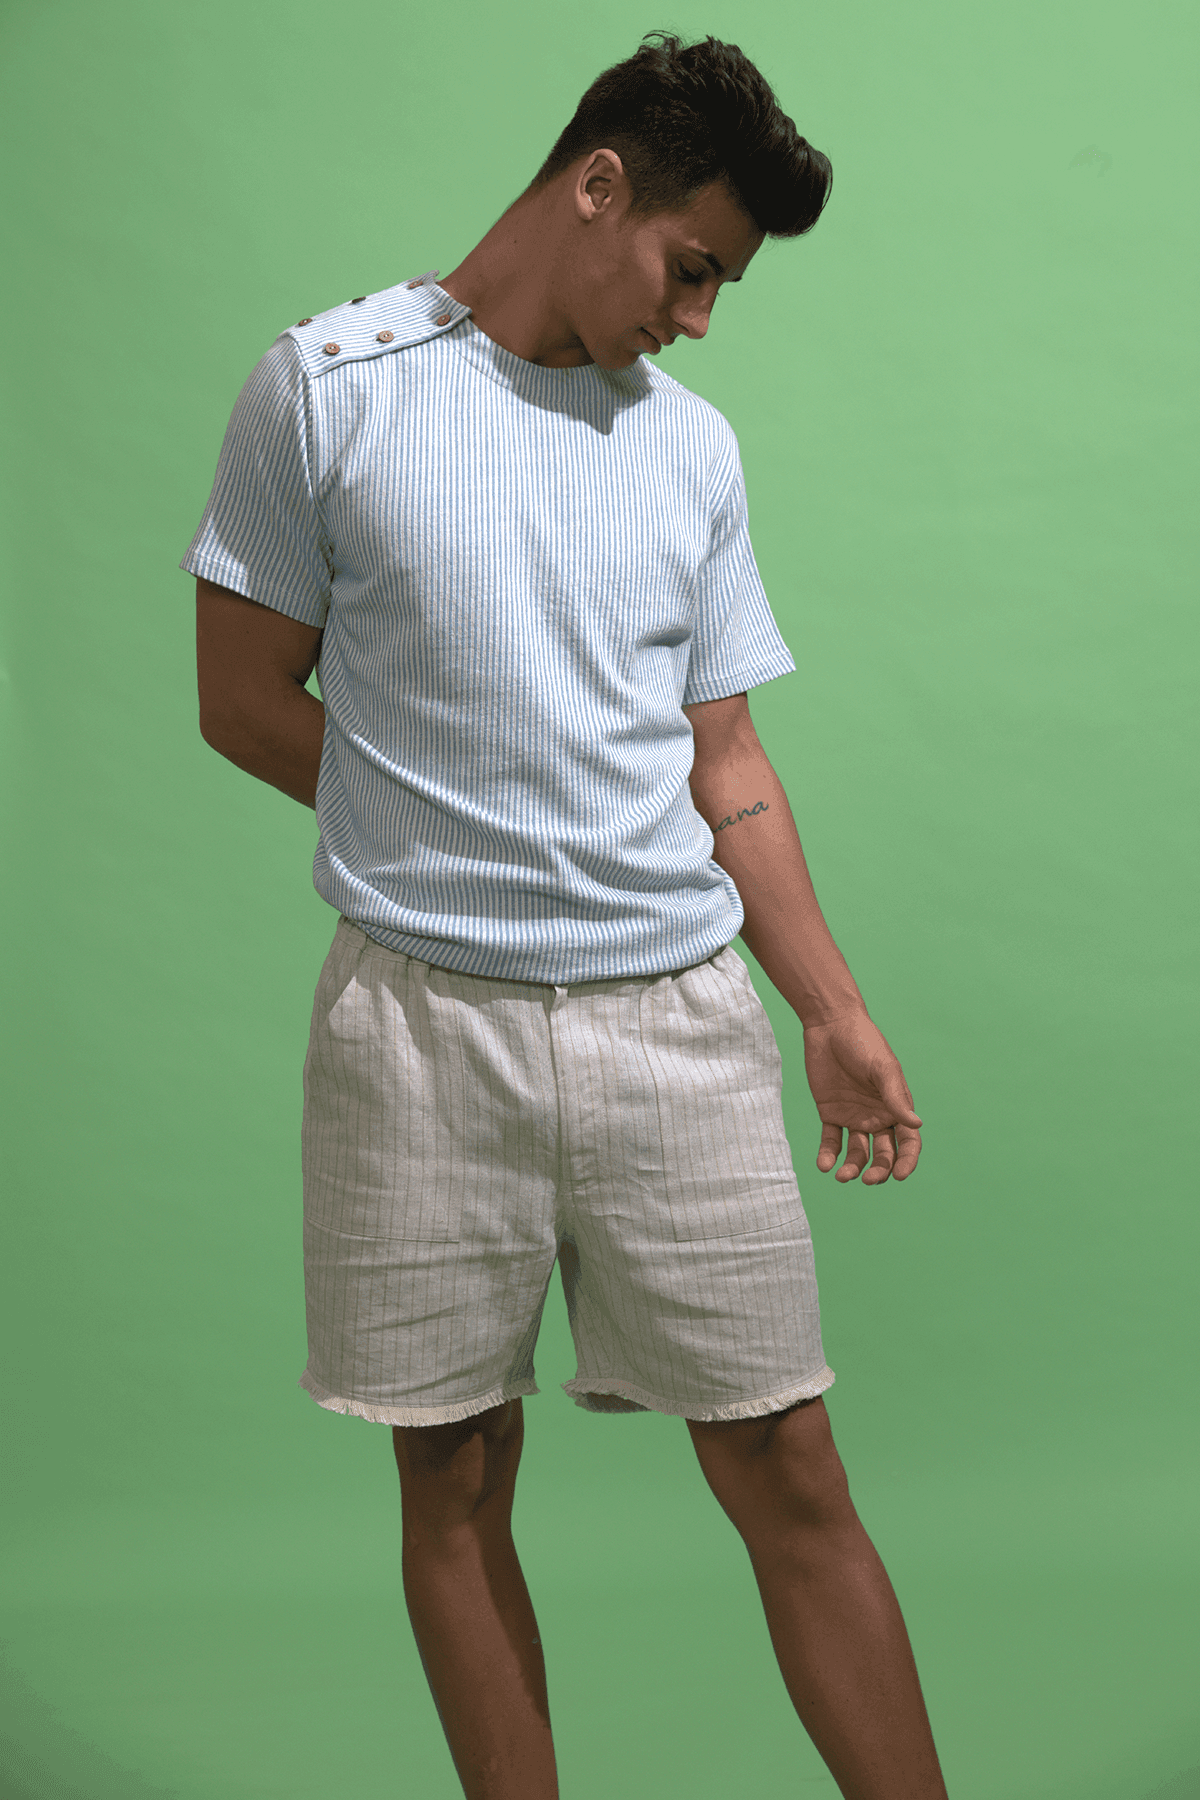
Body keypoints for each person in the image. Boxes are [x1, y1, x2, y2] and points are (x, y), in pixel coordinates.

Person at [184, 32, 947, 1800]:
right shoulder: (326, 391)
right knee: (449, 1477)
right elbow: (238, 700)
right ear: (600, 186)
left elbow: (726, 760)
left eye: (721, 288)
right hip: (416, 1031)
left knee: (789, 1464)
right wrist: (449, 823)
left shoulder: (690, 451)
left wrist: (832, 1011)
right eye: (693, 270)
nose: (699, 319)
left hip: (672, 1022)